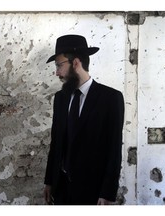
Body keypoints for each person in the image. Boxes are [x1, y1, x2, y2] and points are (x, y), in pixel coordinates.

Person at [43, 34, 125, 205]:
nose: (57, 72)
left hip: (93, 192)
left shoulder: (111, 98)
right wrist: (49, 181)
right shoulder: (60, 98)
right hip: (62, 189)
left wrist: (108, 193)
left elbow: (114, 150)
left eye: (59, 65)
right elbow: (56, 143)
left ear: (76, 63)